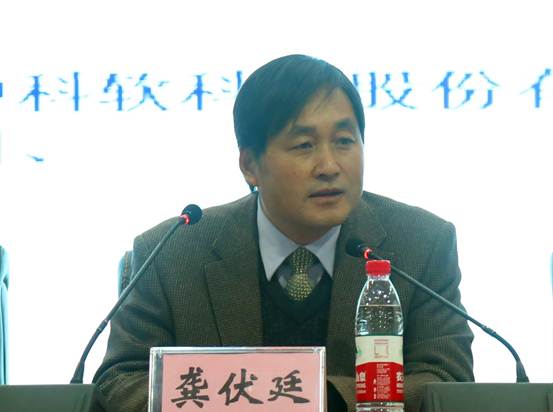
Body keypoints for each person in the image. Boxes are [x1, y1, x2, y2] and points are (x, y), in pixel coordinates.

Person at [94, 54, 474, 412]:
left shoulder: (421, 243)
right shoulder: (172, 253)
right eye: (303, 145)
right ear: (250, 165)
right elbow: (121, 381)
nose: (329, 166)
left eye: (344, 141)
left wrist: (322, 398)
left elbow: (445, 378)